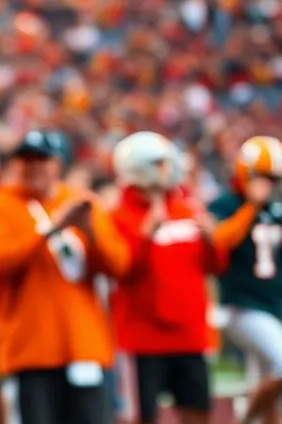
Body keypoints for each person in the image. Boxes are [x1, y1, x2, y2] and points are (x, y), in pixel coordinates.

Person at [0, 129, 131, 424]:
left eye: (42, 159)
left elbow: (119, 267)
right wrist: (51, 228)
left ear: (57, 164)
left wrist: (90, 232)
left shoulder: (82, 202)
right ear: (15, 164)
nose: (33, 166)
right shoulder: (0, 203)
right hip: (32, 350)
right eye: (26, 159)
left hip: (84, 344)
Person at [110, 132, 219, 424]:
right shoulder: (118, 216)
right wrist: (144, 236)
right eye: (157, 164)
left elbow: (214, 267)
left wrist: (213, 241)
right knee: (143, 416)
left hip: (189, 334)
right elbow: (121, 271)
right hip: (143, 338)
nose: (165, 170)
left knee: (198, 412)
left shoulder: (188, 209)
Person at [210, 136, 282, 424]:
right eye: (265, 177)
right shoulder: (226, 203)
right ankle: (244, 419)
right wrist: (251, 208)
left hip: (276, 303)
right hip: (243, 304)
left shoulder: (277, 209)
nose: (272, 184)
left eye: (275, 178)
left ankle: (260, 418)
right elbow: (222, 241)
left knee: (271, 386)